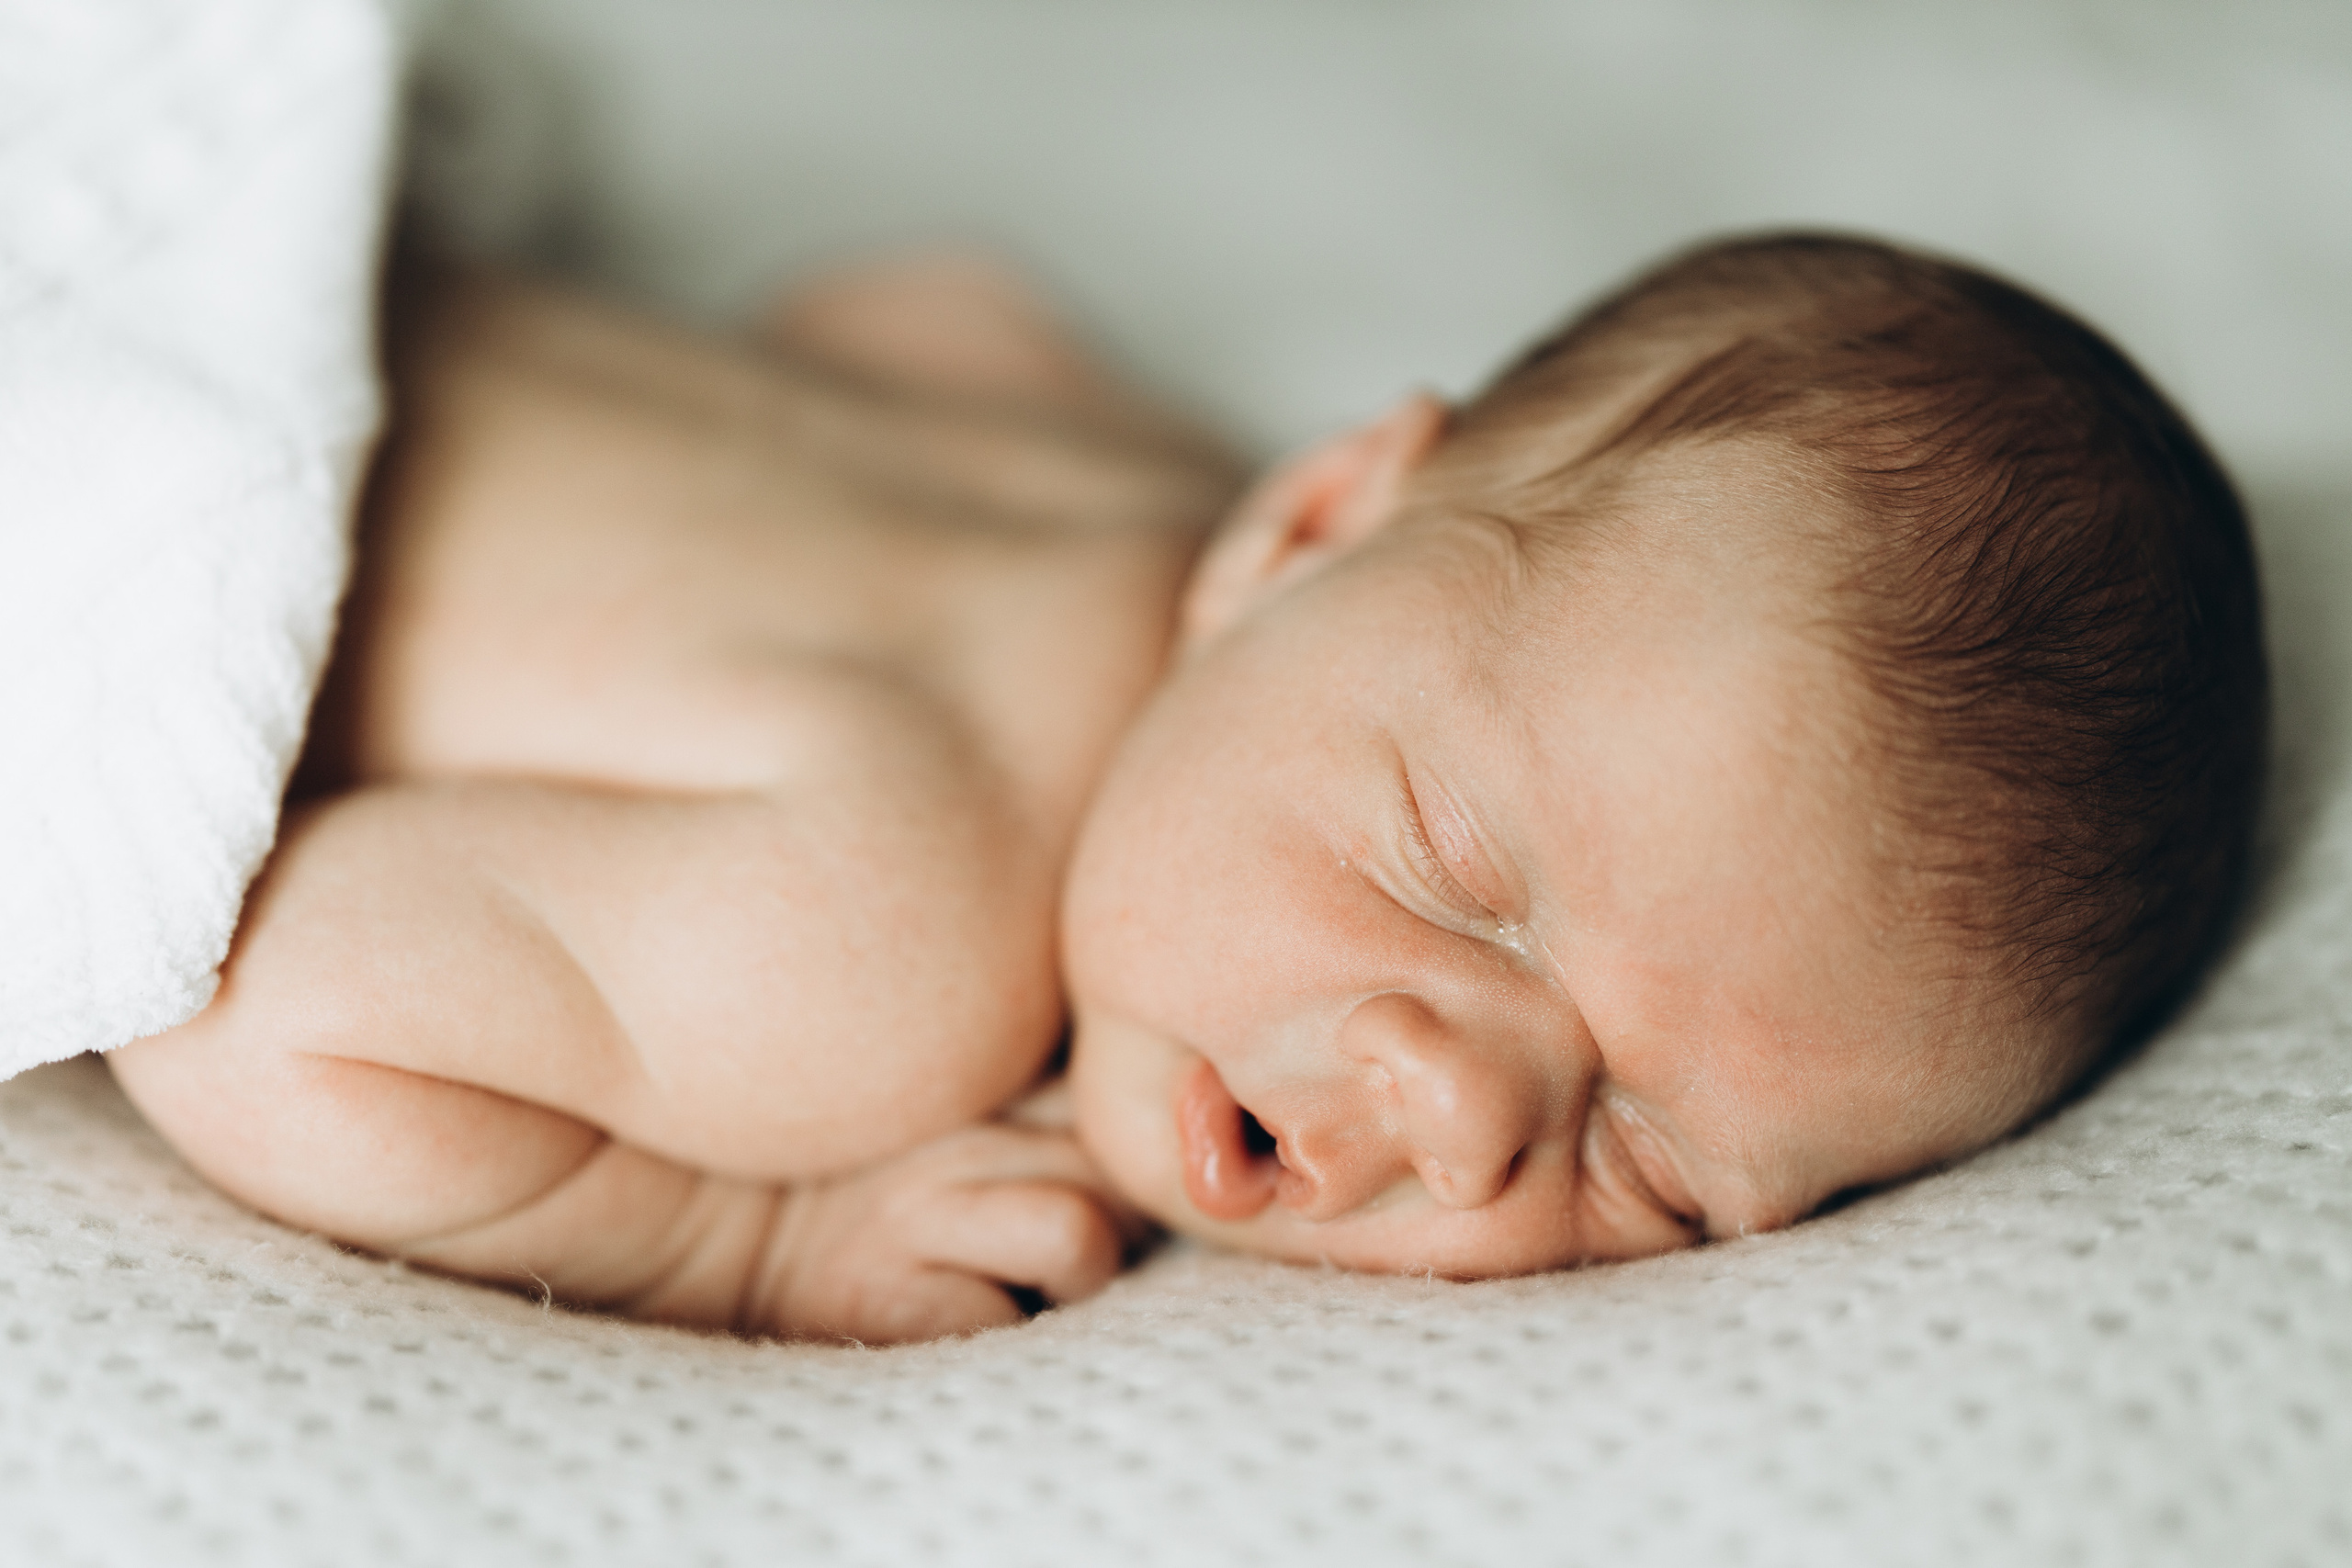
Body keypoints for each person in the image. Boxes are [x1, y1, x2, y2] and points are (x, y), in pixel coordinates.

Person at [105, 232, 2267, 1343]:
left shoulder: (1138, 477)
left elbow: (912, 294)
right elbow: (252, 1002)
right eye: (1455, 876)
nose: (1457, 1104)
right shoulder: (881, 941)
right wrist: (750, 1227)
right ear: (1313, 520)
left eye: (1653, 1162)